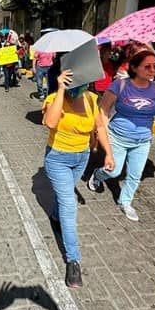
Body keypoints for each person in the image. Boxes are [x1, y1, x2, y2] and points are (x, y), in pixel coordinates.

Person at [43, 70, 115, 288]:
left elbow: (100, 127)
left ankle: (55, 216)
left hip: (82, 157)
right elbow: (50, 122)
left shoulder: (93, 99)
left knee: (64, 196)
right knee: (69, 203)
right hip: (57, 158)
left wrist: (109, 153)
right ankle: (73, 260)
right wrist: (61, 90)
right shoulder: (54, 99)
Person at [88, 50, 155, 222]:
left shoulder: (154, 88)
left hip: (143, 140)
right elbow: (103, 111)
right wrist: (100, 134)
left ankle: (125, 202)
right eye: (148, 66)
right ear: (134, 68)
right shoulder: (120, 85)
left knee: (135, 175)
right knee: (114, 172)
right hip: (118, 137)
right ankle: (98, 175)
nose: (153, 70)